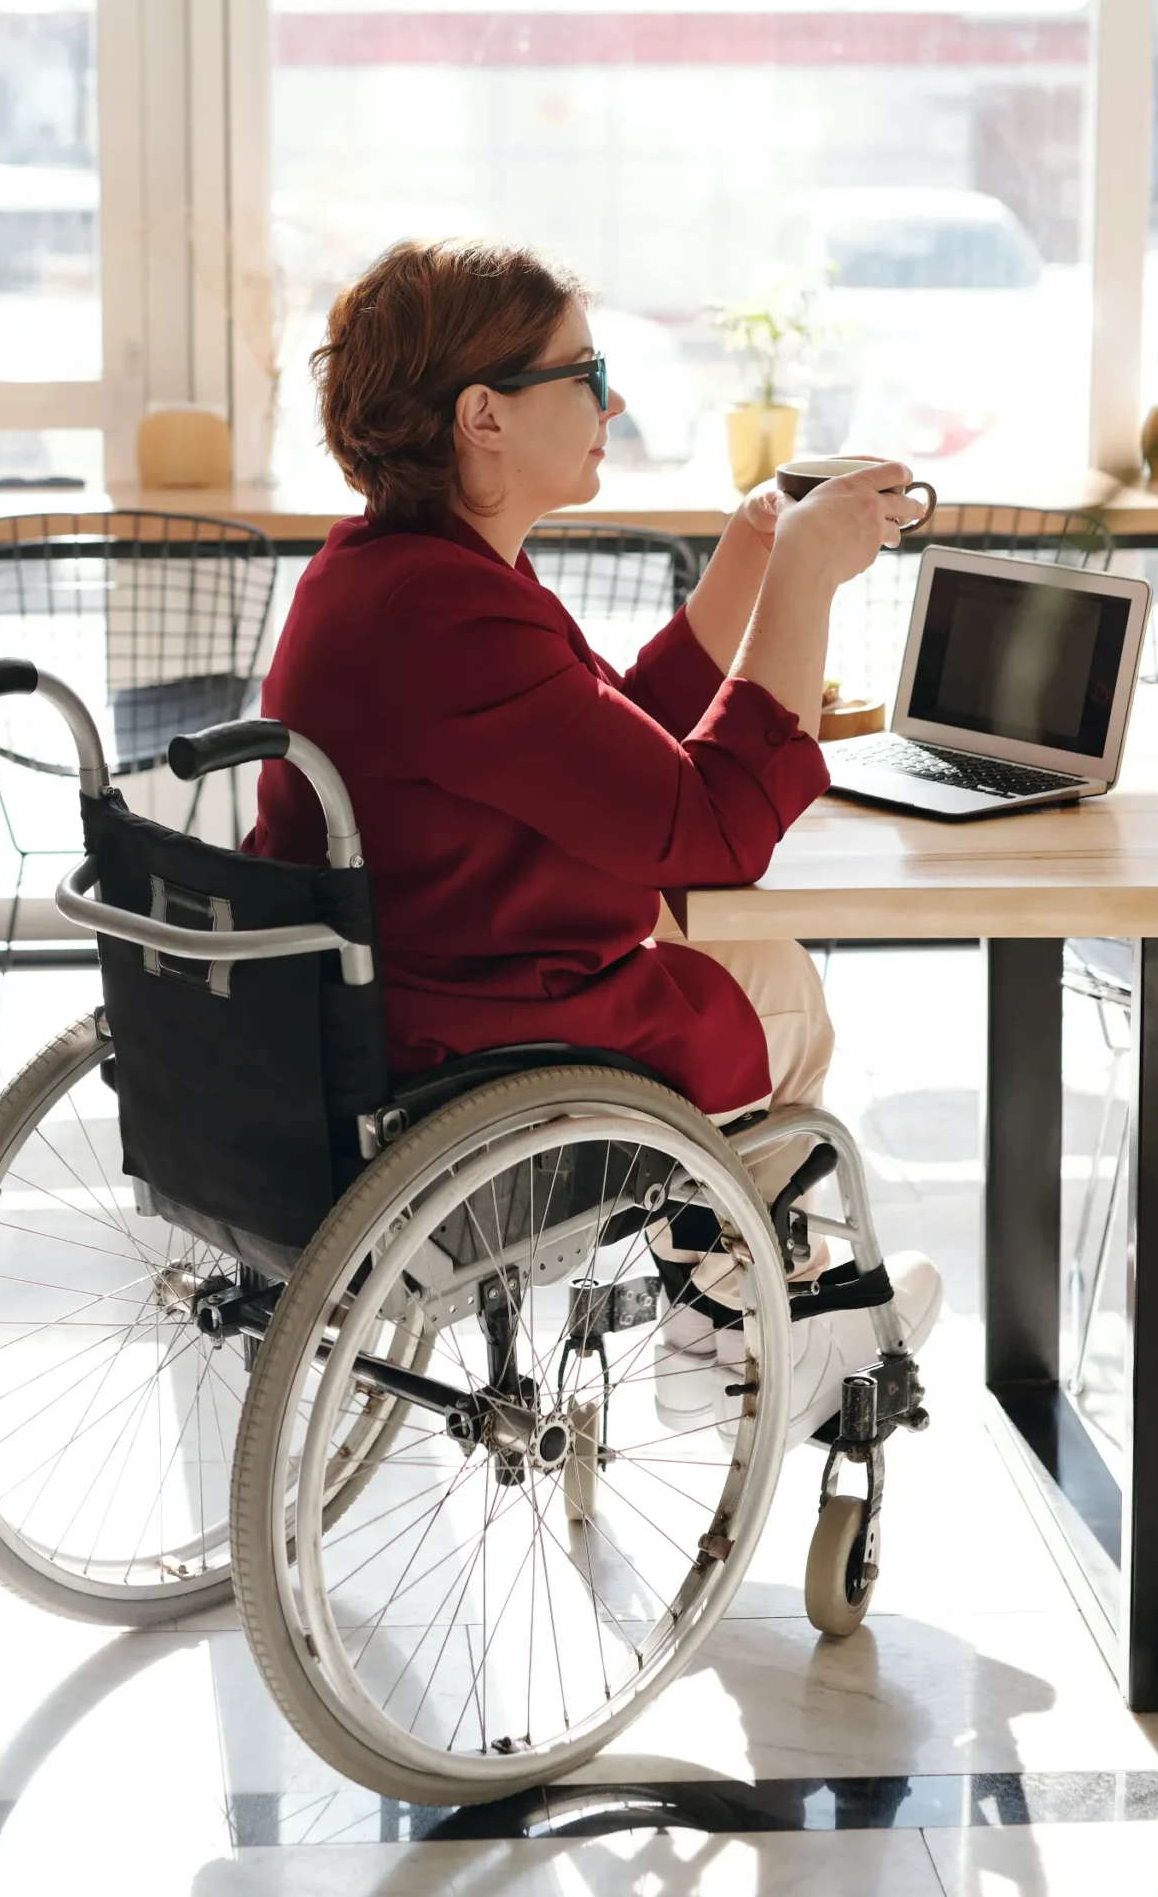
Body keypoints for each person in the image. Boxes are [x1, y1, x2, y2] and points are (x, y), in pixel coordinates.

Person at [250, 237, 940, 1439]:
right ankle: (735, 1329)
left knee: (755, 971)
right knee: (781, 996)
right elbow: (710, 828)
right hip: (470, 1039)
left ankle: (722, 1294)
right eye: (585, 371)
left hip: (388, 995)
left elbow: (611, 749)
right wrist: (807, 593)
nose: (612, 399)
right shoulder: (450, 615)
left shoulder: (390, 575)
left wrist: (748, 562)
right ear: (484, 416)